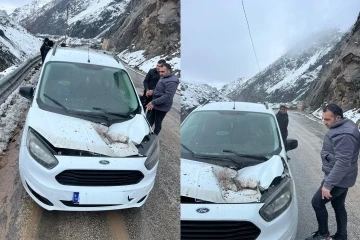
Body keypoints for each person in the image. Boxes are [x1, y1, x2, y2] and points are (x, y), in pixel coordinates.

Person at [305, 104, 360, 240]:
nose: (324, 122)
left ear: (338, 118)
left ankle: (323, 235)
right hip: (342, 178)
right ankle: (341, 236)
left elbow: (343, 162)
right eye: (323, 119)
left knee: (317, 203)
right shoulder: (343, 127)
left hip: (338, 179)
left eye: (327, 120)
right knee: (338, 205)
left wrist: (328, 185)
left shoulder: (344, 134)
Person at [145, 63, 179, 135]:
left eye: (162, 71)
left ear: (169, 70)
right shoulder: (164, 76)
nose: (160, 73)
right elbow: (160, 89)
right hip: (156, 103)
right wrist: (152, 91)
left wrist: (153, 102)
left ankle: (154, 136)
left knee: (158, 123)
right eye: (160, 71)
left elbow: (168, 96)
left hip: (162, 107)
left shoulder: (172, 81)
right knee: (150, 120)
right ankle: (145, 133)